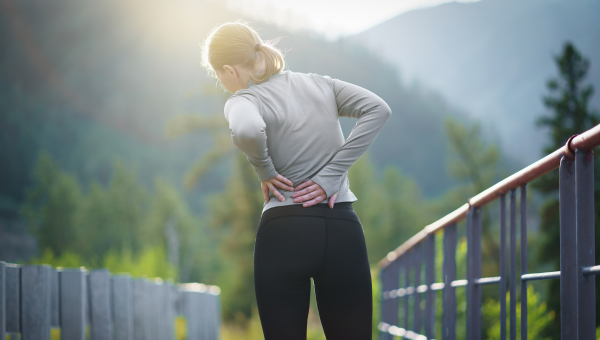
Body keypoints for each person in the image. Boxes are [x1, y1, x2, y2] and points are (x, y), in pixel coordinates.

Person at [201, 21, 391, 340]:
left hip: (284, 232)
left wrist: (265, 170)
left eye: (218, 75)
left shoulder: (244, 100)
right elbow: (378, 109)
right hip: (343, 226)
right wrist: (332, 175)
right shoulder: (320, 84)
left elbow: (247, 130)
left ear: (228, 69)